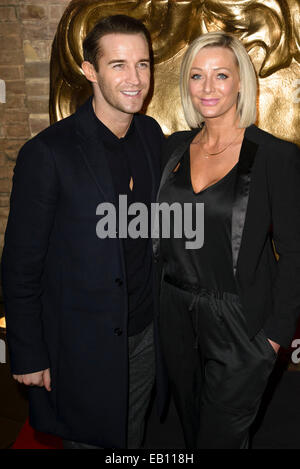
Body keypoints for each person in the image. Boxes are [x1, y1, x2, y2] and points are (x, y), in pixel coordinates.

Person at [1, 15, 166, 449]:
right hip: (81, 344)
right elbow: (20, 265)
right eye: (118, 65)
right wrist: (29, 353)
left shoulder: (150, 134)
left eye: (143, 64)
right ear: (90, 71)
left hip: (144, 334)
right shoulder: (48, 154)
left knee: (132, 437)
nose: (135, 79)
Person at [153, 31, 300, 449]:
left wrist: (273, 337)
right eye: (197, 76)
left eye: (221, 75)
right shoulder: (173, 150)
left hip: (240, 323)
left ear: (240, 82)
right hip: (175, 315)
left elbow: (294, 253)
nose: (208, 88)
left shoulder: (274, 156)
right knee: (191, 431)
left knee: (222, 437)